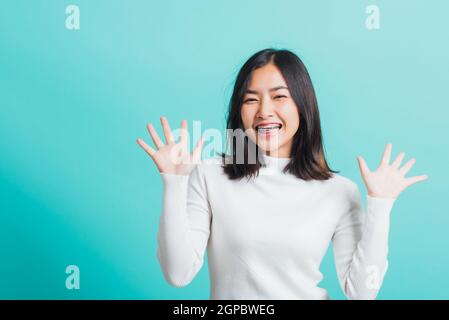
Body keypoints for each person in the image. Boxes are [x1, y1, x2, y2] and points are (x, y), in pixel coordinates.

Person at [136, 48, 428, 299]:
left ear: (302, 106)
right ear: (239, 111)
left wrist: (380, 204)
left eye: (279, 97)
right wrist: (175, 182)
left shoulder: (339, 191)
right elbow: (178, 273)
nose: (264, 111)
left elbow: (362, 291)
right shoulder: (210, 175)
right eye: (251, 99)